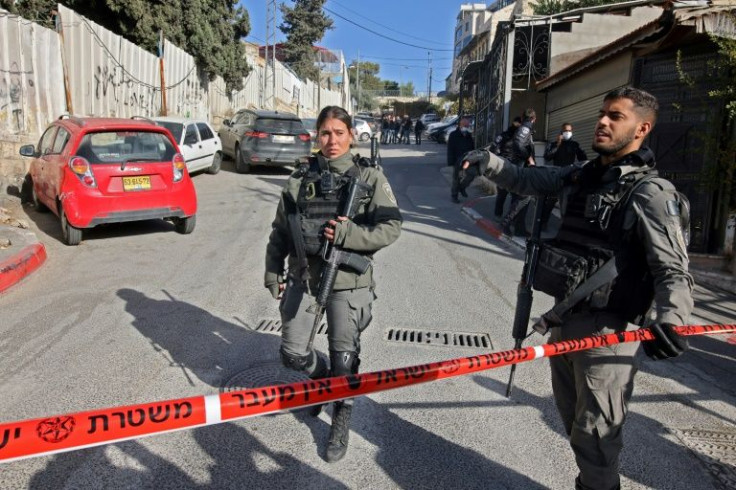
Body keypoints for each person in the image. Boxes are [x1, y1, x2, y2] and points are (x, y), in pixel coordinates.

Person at [462, 87, 693, 490]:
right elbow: (528, 178)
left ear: (642, 129)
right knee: (575, 428)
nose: (602, 121)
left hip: (609, 334)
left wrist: (672, 320)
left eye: (614, 116)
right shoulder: (584, 175)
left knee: (597, 439)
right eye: (602, 112)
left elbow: (673, 270)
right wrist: (491, 162)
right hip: (565, 322)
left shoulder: (652, 195)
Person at [264, 106, 402, 462]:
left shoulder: (369, 178)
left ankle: (341, 414)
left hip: (348, 280)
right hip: (305, 276)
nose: (332, 140)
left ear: (351, 135)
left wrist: (349, 233)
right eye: (325, 133)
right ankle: (325, 383)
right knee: (292, 354)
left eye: (339, 132)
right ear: (316, 136)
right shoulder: (299, 178)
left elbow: (391, 227)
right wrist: (271, 269)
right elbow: (280, 230)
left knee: (345, 359)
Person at [541, 123, 589, 228]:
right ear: (561, 132)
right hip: (556, 177)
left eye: (569, 131)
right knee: (549, 203)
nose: (567, 133)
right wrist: (558, 144)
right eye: (565, 131)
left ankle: (565, 227)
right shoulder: (555, 144)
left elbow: (583, 159)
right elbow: (547, 157)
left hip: (568, 178)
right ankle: (543, 224)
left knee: (565, 204)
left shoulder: (575, 145)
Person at [501, 108, 536, 234]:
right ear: (533, 119)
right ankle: (506, 222)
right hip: (522, 169)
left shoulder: (526, 128)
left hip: (520, 168)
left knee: (519, 198)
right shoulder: (526, 127)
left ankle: (519, 228)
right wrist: (529, 157)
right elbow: (518, 143)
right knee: (524, 198)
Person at [492, 116, 522, 218]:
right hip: (504, 168)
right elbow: (494, 148)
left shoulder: (522, 138)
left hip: (517, 169)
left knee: (516, 195)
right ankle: (497, 214)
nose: (518, 125)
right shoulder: (504, 135)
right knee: (502, 193)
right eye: (517, 123)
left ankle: (511, 218)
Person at [447, 117, 475, 203]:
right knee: (457, 178)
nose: (467, 127)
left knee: (472, 174)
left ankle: (462, 187)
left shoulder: (468, 135)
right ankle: (454, 195)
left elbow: (472, 147)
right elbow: (450, 149)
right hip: (457, 160)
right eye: (466, 125)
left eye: (468, 125)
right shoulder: (453, 135)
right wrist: (451, 161)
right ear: (461, 125)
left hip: (468, 159)